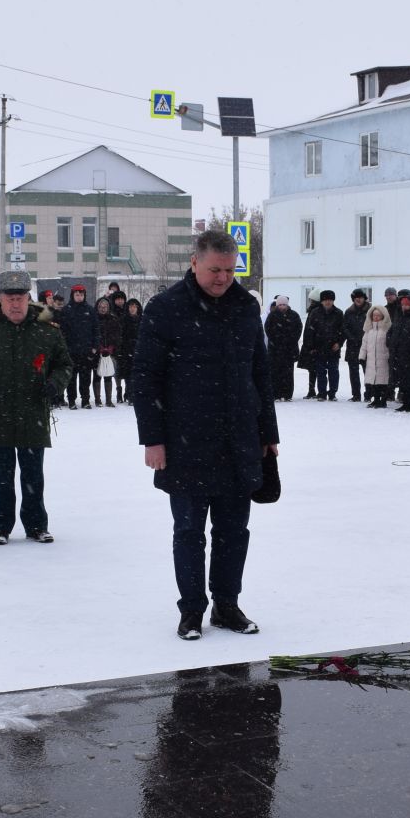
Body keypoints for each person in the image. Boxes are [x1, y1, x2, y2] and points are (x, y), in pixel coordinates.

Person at [132, 228, 279, 641]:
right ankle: (192, 610)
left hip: (239, 441)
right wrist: (153, 439)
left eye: (231, 271)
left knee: (234, 531)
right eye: (215, 269)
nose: (223, 279)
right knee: (189, 532)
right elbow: (145, 377)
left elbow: (260, 373)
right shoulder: (165, 308)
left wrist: (268, 433)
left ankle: (227, 606)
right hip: (185, 442)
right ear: (194, 262)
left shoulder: (246, 307)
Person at [0, 271, 72, 545]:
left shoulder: (46, 330)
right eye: (10, 299)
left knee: (33, 475)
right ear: (0, 300)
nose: (16, 304)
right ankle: (0, 527)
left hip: (33, 413)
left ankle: (36, 525)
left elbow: (64, 364)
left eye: (20, 298)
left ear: (28, 298)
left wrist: (55, 383)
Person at [58, 284, 98, 409]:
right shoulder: (66, 310)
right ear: (73, 295)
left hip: (86, 351)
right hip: (71, 351)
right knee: (71, 378)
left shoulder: (90, 310)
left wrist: (95, 346)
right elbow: (61, 332)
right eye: (77, 295)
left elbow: (96, 330)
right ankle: (71, 401)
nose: (79, 297)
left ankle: (85, 400)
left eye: (81, 294)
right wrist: (64, 348)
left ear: (84, 295)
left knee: (86, 378)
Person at [301, 290, 343, 400]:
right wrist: (311, 347)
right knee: (320, 372)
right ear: (322, 301)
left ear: (333, 301)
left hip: (334, 347)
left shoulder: (338, 313)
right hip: (319, 347)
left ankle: (332, 393)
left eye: (330, 300)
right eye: (325, 300)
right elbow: (310, 331)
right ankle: (322, 393)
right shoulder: (315, 313)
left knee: (334, 371)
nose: (328, 302)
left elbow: (343, 331)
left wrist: (339, 343)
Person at [264, 296, 302, 402]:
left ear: (287, 304)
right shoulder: (272, 316)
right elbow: (268, 329)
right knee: (275, 372)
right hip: (275, 349)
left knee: (288, 372)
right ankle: (276, 394)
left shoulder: (294, 315)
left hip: (289, 349)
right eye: (280, 305)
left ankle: (287, 394)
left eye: (284, 304)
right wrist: (275, 340)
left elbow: (298, 329)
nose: (282, 307)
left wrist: (291, 340)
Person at [387, 291, 410, 411]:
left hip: (409, 354)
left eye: (407, 305)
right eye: (403, 305)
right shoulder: (398, 316)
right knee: (402, 380)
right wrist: (389, 341)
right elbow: (391, 331)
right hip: (397, 353)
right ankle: (405, 402)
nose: (404, 307)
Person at [358, 305, 392, 407]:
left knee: (384, 381)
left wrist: (391, 357)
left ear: (383, 316)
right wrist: (362, 357)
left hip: (384, 359)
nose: (376, 317)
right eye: (374, 315)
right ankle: (376, 399)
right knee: (374, 382)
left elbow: (390, 345)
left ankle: (384, 400)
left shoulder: (386, 330)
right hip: (372, 360)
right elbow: (364, 345)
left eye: (378, 315)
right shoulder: (369, 331)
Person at [95, 296, 125, 406]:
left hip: (110, 351)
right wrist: (99, 347)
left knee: (108, 375)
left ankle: (108, 400)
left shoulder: (114, 319)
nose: (103, 308)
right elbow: (92, 335)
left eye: (105, 306)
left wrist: (112, 348)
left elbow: (118, 335)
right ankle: (98, 400)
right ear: (97, 307)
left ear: (109, 307)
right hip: (97, 351)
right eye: (101, 306)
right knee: (97, 375)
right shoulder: (94, 319)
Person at [341, 289, 369, 401]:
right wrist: (351, 338)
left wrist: (365, 338)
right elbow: (344, 327)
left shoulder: (370, 311)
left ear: (364, 298)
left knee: (368, 371)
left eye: (360, 297)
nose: (358, 299)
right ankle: (356, 394)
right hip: (353, 345)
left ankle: (369, 394)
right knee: (353, 372)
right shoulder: (349, 312)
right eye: (356, 297)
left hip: (367, 346)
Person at [118, 296, 142, 404]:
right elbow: (120, 336)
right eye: (130, 306)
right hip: (126, 351)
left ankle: (133, 394)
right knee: (128, 375)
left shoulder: (142, 320)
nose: (132, 308)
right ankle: (129, 395)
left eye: (134, 306)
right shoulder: (123, 320)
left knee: (137, 374)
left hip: (139, 350)